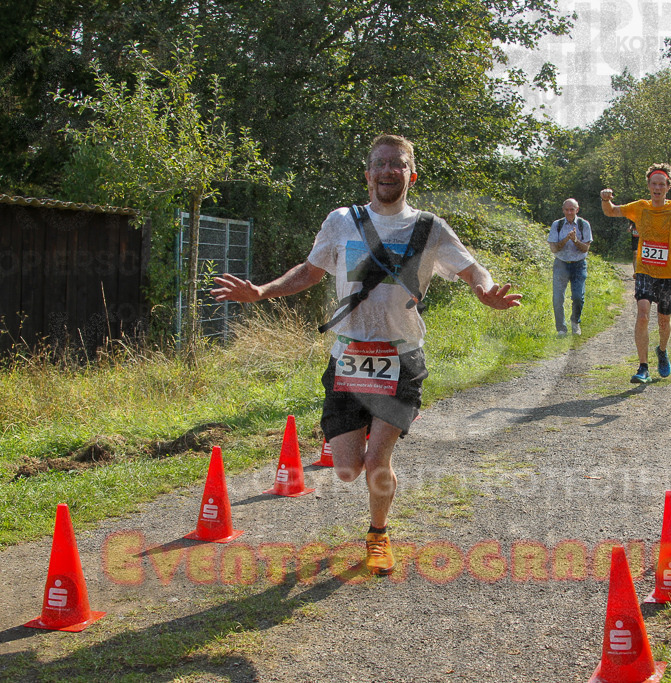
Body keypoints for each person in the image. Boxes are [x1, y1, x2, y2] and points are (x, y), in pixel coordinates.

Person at [211, 134, 521, 576]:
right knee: (346, 470)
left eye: (398, 163)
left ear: (411, 174)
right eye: (380, 163)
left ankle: (378, 534)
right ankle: (357, 447)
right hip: (348, 358)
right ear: (368, 175)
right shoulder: (341, 221)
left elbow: (472, 268)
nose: (388, 170)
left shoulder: (429, 227)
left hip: (400, 360)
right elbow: (310, 271)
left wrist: (485, 290)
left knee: (377, 463)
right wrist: (262, 291)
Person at [600, 163, 671, 383]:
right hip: (645, 270)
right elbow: (611, 211)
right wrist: (605, 199)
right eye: (654, 183)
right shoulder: (640, 207)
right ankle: (643, 367)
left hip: (669, 273)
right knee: (643, 314)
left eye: (661, 184)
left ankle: (662, 351)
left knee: (664, 321)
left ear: (668, 187)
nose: (657, 188)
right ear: (648, 185)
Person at [548, 198, 593, 335]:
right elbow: (554, 249)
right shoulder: (557, 225)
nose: (569, 212)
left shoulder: (583, 224)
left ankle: (575, 322)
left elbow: (585, 248)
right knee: (558, 298)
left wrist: (575, 240)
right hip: (561, 264)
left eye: (572, 209)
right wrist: (566, 239)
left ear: (577, 210)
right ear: (563, 210)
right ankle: (561, 329)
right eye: (567, 209)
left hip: (579, 265)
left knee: (578, 296)